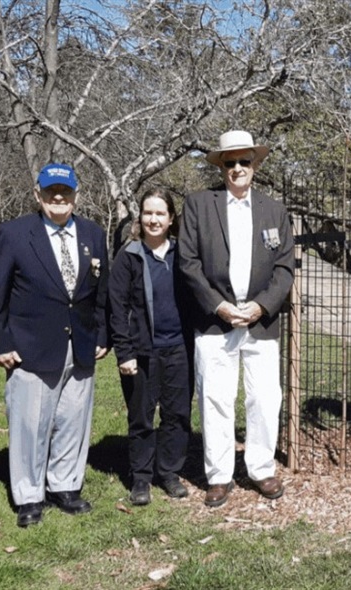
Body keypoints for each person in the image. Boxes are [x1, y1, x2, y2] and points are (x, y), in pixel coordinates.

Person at [0, 163, 109, 527]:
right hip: (30, 346)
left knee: (74, 419)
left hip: (82, 343)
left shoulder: (92, 233)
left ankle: (65, 486)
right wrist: (0, 342)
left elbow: (100, 293)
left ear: (76, 194)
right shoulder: (14, 233)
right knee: (29, 424)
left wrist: (103, 334)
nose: (59, 198)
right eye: (51, 191)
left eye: (66, 191)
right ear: (38, 195)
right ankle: (29, 495)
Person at [178, 130, 294, 508]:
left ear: (256, 165)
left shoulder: (274, 210)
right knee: (216, 397)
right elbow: (188, 263)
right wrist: (218, 305)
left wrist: (261, 306)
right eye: (231, 163)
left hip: (260, 320)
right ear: (221, 167)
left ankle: (261, 468)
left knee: (264, 398)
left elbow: (285, 268)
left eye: (245, 161)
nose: (238, 169)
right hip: (216, 320)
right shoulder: (199, 205)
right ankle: (219, 475)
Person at [109, 191, 192, 504]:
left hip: (180, 349)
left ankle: (169, 472)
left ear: (171, 219)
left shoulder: (184, 255)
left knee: (178, 415)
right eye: (148, 213)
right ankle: (141, 478)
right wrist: (125, 352)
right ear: (139, 218)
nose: (154, 220)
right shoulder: (128, 256)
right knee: (141, 417)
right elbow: (116, 308)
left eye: (160, 214)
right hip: (143, 352)